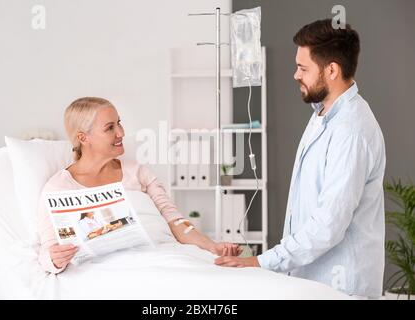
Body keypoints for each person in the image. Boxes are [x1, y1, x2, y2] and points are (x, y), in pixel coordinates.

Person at [215, 19, 386, 299]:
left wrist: (260, 262)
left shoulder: (352, 131)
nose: (295, 75)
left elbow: (328, 224)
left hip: (340, 287)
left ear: (331, 70)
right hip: (312, 281)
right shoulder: (322, 115)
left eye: (303, 68)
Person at [38, 97, 242, 274]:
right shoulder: (58, 188)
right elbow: (48, 252)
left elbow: (175, 221)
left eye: (119, 123)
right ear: (83, 138)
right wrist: (54, 260)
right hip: (106, 269)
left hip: (162, 255)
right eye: (110, 128)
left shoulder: (137, 172)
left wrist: (213, 247)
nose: (121, 132)